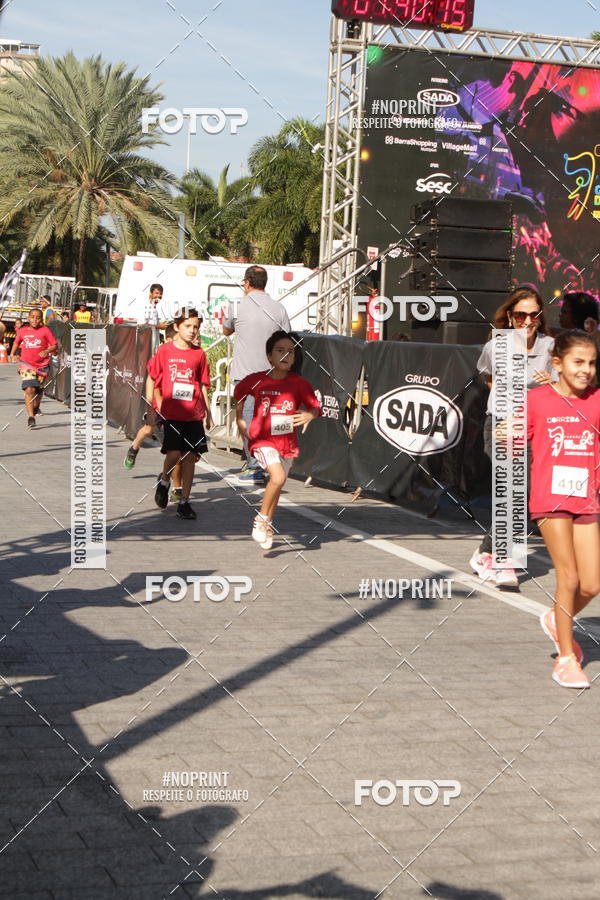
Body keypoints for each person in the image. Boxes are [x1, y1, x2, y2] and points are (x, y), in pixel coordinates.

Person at [470, 287, 556, 587]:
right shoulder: (498, 345)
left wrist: (550, 386)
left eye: (534, 314)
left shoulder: (551, 346)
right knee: (512, 487)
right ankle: (507, 561)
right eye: (521, 314)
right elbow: (488, 376)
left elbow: (564, 387)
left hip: (535, 427)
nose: (527, 320)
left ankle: (485, 552)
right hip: (502, 423)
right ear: (510, 316)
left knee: (525, 491)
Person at [528, 330, 600, 688]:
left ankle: (559, 620)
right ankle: (566, 659)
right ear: (557, 364)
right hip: (549, 498)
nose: (586, 369)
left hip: (586, 499)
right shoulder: (538, 400)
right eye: (578, 362)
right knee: (568, 578)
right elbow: (514, 439)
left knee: (592, 583)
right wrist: (507, 436)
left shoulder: (598, 400)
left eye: (591, 362)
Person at [233, 331, 321, 550]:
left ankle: (268, 524)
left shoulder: (299, 384)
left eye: (290, 352)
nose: (286, 355)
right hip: (262, 440)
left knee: (277, 483)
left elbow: (315, 406)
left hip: (286, 443)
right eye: (280, 351)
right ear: (269, 356)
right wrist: (239, 419)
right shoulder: (257, 379)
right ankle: (261, 520)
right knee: (278, 476)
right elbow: (239, 394)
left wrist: (310, 415)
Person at [223, 266, 291, 483]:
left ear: (247, 283)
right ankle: (262, 463)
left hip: (245, 374)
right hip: (272, 373)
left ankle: (255, 467)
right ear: (265, 283)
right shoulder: (278, 308)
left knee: (248, 420)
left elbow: (226, 330)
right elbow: (287, 338)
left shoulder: (236, 305)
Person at [146, 308, 212, 520]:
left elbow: (202, 385)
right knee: (174, 454)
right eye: (187, 326)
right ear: (176, 327)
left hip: (193, 414)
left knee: (191, 458)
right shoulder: (165, 351)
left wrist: (208, 412)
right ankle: (164, 481)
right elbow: (152, 377)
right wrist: (152, 406)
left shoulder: (199, 354)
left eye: (196, 327)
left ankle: (184, 501)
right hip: (172, 413)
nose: (192, 331)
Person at [123, 324, 184, 501]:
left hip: (178, 409)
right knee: (149, 429)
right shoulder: (162, 354)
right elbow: (152, 378)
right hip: (159, 407)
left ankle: (176, 487)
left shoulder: (188, 354)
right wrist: (153, 400)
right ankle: (134, 448)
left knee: (177, 451)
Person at [10, 307, 58, 427]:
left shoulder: (45, 331)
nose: (34, 320)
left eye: (37, 318)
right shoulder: (22, 331)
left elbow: (54, 346)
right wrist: (12, 354)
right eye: (32, 317)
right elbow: (16, 342)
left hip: (42, 366)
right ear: (28, 318)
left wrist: (47, 350)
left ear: (41, 320)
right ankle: (31, 417)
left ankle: (36, 407)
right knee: (29, 389)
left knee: (38, 391)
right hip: (26, 364)